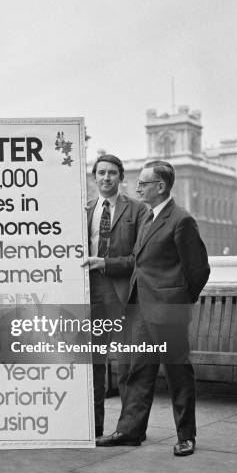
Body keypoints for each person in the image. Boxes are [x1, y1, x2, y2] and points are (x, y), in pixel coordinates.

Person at [97, 160, 210, 456]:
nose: (137, 188)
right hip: (142, 309)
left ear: (160, 187)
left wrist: (179, 304)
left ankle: (186, 435)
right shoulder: (148, 217)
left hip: (168, 311)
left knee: (177, 374)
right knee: (138, 371)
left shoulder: (182, 220)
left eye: (143, 183)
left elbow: (199, 270)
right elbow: (140, 262)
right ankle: (129, 431)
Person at [81, 154, 146, 438]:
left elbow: (140, 258)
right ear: (94, 177)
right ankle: (94, 426)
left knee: (127, 362)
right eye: (101, 173)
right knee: (93, 361)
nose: (106, 178)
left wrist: (106, 263)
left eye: (112, 174)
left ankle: (129, 429)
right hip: (91, 293)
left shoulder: (137, 211)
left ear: (121, 178)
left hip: (123, 293)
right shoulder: (84, 211)